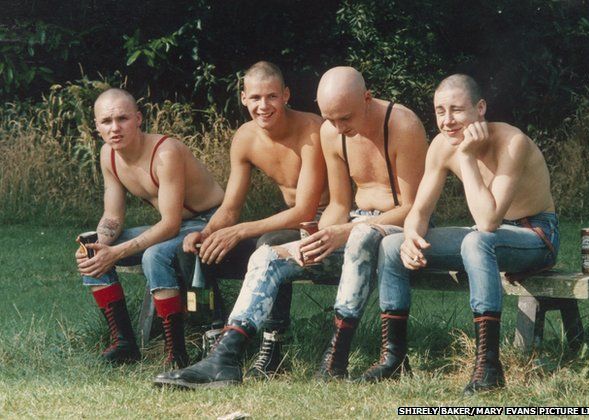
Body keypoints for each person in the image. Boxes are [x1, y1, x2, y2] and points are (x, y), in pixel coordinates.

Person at [154, 66, 428, 388]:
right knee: (267, 255)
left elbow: (414, 208)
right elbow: (340, 205)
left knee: (361, 235)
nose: (338, 128)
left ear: (367, 98)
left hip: (398, 226)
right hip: (354, 220)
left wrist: (345, 231)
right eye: (330, 119)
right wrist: (319, 235)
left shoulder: (403, 124)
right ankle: (224, 357)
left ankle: (334, 360)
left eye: (345, 119)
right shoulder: (330, 131)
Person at [373, 74, 559, 393]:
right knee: (390, 245)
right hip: (487, 237)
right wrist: (411, 238)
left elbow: (487, 221)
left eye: (456, 110)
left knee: (477, 239)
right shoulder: (441, 146)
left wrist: (468, 156)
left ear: (480, 108)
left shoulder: (512, 142)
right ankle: (393, 359)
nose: (447, 121)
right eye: (440, 111)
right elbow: (419, 211)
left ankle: (488, 367)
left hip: (535, 234)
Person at [156, 61, 327, 382]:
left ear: (286, 95)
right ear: (244, 98)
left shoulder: (312, 131)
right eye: (256, 98)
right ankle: (216, 344)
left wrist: (242, 230)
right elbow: (231, 208)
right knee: (191, 248)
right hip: (291, 221)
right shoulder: (245, 138)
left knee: (269, 243)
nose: (264, 106)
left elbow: (305, 210)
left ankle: (273, 348)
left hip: (323, 223)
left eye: (272, 96)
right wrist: (207, 232)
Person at [75, 88, 225, 369]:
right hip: (176, 225)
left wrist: (116, 252)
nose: (115, 128)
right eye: (106, 122)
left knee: (154, 255)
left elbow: (169, 224)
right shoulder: (108, 154)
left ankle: (177, 351)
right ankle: (124, 343)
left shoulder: (165, 152)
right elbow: (112, 216)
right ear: (96, 126)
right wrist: (100, 244)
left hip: (210, 223)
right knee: (91, 251)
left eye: (123, 118)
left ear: (139, 119)